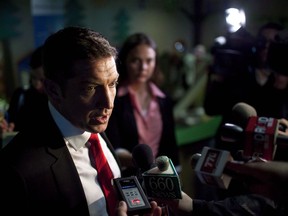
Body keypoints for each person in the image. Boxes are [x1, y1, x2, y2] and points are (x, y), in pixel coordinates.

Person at [0, 26, 122, 215]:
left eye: (112, 83)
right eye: (90, 88)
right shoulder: (17, 170)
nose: (108, 102)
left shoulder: (93, 124)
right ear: (54, 90)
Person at [105, 33, 180, 174]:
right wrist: (143, 163)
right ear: (125, 61)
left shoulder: (164, 100)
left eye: (149, 60)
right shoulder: (114, 99)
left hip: (162, 177)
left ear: (156, 62)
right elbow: (112, 145)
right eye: (136, 60)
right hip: (128, 176)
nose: (143, 67)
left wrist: (175, 174)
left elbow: (170, 144)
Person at [7, 45, 48, 132]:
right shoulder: (20, 95)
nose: (37, 85)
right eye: (33, 77)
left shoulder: (60, 102)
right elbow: (10, 122)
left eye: (42, 80)